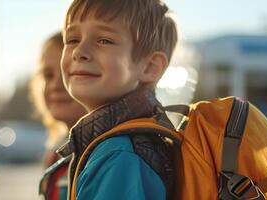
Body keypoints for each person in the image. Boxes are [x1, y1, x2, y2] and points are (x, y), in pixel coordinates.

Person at [51, 0, 179, 199]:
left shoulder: (118, 154)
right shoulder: (114, 146)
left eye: (104, 40)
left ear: (150, 67)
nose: (79, 52)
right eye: (72, 39)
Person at [32, 32, 88, 200]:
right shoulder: (56, 156)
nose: (56, 85)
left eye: (70, 73)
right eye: (48, 75)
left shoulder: (103, 157)